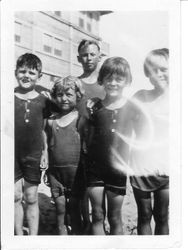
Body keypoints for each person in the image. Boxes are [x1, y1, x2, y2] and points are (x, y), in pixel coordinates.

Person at [85, 57, 134, 235]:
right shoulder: (94, 107)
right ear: (102, 80)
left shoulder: (132, 108)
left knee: (115, 217)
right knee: (97, 215)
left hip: (118, 171)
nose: (113, 83)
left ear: (127, 81)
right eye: (109, 78)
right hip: (94, 170)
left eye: (119, 79)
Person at [130, 48, 169, 235]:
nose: (159, 74)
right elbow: (119, 116)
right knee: (144, 215)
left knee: (162, 215)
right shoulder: (140, 97)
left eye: (164, 69)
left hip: (166, 167)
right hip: (140, 166)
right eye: (154, 70)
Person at [14, 53, 50, 235]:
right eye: (22, 71)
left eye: (32, 73)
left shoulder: (44, 100)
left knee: (31, 197)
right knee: (15, 196)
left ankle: (33, 238)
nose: (26, 76)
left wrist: (45, 153)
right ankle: (19, 236)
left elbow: (43, 129)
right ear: (15, 73)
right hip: (12, 155)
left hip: (33, 155)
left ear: (39, 76)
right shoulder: (8, 97)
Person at [45, 76, 85, 235]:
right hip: (56, 174)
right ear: (55, 96)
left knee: (75, 211)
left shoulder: (80, 119)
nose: (64, 99)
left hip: (76, 174)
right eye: (60, 95)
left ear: (78, 96)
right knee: (60, 212)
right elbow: (46, 142)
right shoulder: (50, 121)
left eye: (69, 95)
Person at [76, 39, 106, 234]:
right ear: (79, 58)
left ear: (99, 56)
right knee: (80, 188)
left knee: (99, 187)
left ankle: (100, 222)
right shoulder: (76, 83)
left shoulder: (106, 84)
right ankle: (85, 222)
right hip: (78, 142)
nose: (88, 58)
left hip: (100, 144)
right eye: (85, 55)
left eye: (92, 54)